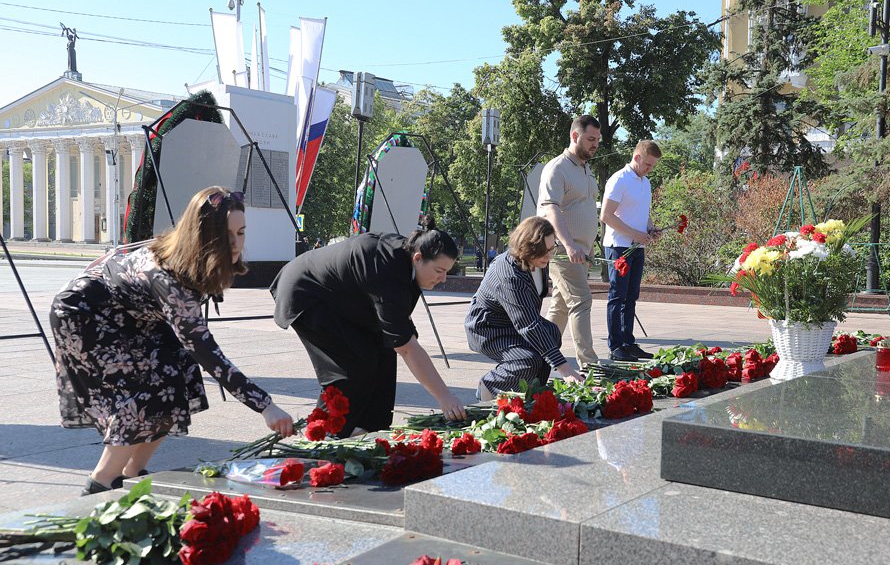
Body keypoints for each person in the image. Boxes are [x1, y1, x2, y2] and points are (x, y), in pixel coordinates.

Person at [50, 186, 295, 496]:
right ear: (203, 236)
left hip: (128, 315)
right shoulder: (171, 279)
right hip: (84, 315)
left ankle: (132, 472)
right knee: (145, 387)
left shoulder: (187, 261)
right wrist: (265, 406)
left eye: (241, 233)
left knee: (180, 371)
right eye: (226, 235)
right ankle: (101, 482)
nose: (236, 244)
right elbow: (206, 350)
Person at [271, 217, 466, 435]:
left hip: (343, 300)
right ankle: (323, 438)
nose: (444, 279)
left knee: (383, 353)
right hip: (308, 295)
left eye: (447, 271)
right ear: (418, 258)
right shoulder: (387, 269)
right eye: (439, 271)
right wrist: (444, 396)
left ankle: (371, 431)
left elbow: (397, 337)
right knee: (350, 368)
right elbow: (407, 347)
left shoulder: (408, 262)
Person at [465, 217, 584, 400]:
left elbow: (529, 319)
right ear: (527, 247)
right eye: (543, 251)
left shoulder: (539, 261)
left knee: (551, 333)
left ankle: (534, 394)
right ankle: (489, 386)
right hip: (488, 327)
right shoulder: (509, 274)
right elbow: (528, 325)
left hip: (513, 321)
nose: (549, 256)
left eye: (552, 249)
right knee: (527, 361)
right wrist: (565, 369)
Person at [537, 114, 601, 368]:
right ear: (575, 136)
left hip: (580, 252)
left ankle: (539, 354)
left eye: (597, 139)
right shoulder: (557, 168)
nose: (595, 144)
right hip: (562, 250)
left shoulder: (586, 170)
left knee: (561, 307)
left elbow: (584, 210)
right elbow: (550, 210)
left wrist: (588, 245)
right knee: (582, 300)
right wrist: (571, 244)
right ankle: (589, 365)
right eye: (590, 139)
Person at [600, 140, 662, 361]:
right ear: (636, 157)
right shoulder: (619, 179)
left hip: (638, 246)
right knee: (617, 296)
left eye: (653, 166)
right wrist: (634, 234)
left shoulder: (645, 182)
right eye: (647, 164)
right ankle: (616, 346)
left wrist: (650, 228)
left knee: (632, 296)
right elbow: (606, 216)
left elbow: (643, 213)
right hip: (619, 246)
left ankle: (628, 342)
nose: (650, 169)